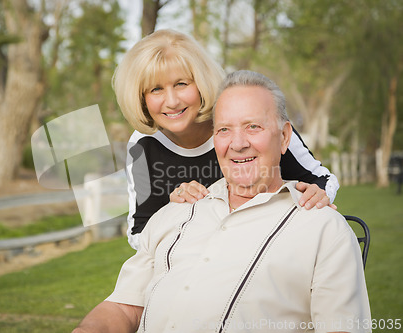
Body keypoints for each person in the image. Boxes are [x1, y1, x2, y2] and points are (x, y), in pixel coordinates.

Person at [73, 70, 370, 333]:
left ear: (283, 138)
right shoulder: (177, 211)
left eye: (253, 127)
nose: (237, 143)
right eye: (224, 129)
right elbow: (125, 308)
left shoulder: (322, 228)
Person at [113, 29, 340, 250]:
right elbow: (139, 234)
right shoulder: (142, 146)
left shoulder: (244, 120)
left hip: (268, 243)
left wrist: (315, 196)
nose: (171, 101)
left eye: (181, 84)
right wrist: (173, 210)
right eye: (156, 89)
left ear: (200, 82)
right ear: (141, 98)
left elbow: (322, 179)